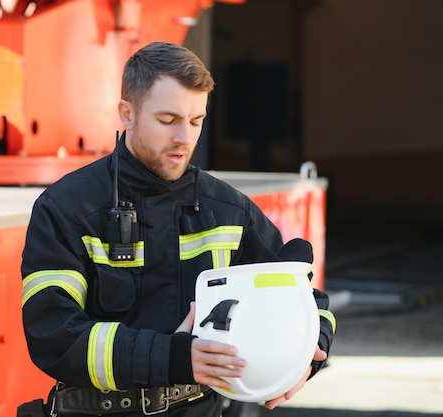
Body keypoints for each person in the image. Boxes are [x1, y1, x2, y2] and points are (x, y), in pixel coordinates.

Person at [20, 41, 336, 417]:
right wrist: (174, 358)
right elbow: (54, 337)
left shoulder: (228, 210)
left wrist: (306, 357)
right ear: (127, 113)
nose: (184, 138)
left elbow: (309, 302)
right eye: (167, 121)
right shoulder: (68, 209)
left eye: (196, 121)